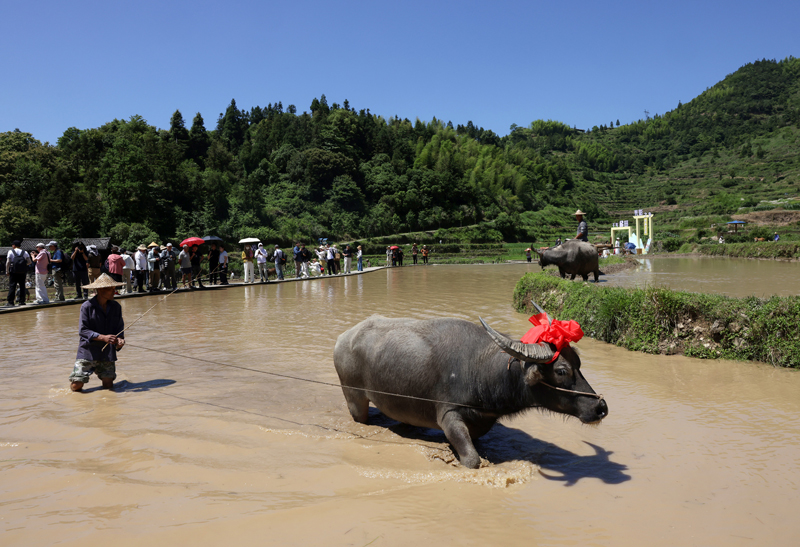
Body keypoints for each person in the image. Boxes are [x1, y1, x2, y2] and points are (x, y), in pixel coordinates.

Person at [68, 273, 126, 392]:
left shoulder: (116, 307)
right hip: (88, 351)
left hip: (107, 352)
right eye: (111, 289)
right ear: (100, 290)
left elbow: (119, 329)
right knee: (76, 385)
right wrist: (102, 337)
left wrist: (120, 340)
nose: (113, 292)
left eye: (114, 289)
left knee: (108, 385)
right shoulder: (87, 307)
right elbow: (83, 331)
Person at [5, 240, 31, 307]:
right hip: (22, 272)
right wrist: (24, 265)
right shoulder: (25, 252)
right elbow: (29, 262)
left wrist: (7, 271)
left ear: (14, 245)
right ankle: (22, 301)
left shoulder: (10, 251)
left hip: (13, 272)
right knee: (22, 286)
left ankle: (10, 302)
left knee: (12, 286)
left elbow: (8, 262)